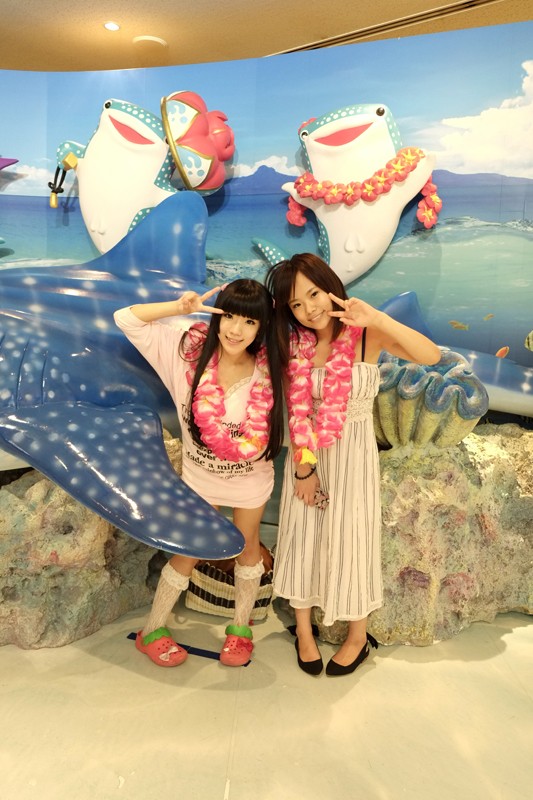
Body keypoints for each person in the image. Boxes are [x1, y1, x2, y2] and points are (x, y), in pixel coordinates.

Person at [266, 254, 441, 676]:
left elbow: (431, 355)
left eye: (313, 294)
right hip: (308, 459)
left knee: (353, 539)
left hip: (355, 459)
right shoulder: (292, 346)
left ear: (330, 287)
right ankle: (303, 630)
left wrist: (377, 317)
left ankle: (358, 636)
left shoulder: (365, 336)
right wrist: (304, 471)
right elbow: (295, 414)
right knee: (303, 537)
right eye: (296, 304)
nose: (309, 309)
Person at [114, 279, 284, 668]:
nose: (236, 330)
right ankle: (151, 630)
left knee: (249, 548)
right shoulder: (185, 354)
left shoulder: (271, 370)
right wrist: (179, 308)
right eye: (230, 316)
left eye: (250, 322)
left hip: (251, 478)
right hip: (201, 479)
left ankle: (240, 630)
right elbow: (126, 318)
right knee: (188, 552)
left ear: (262, 327)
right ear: (216, 316)